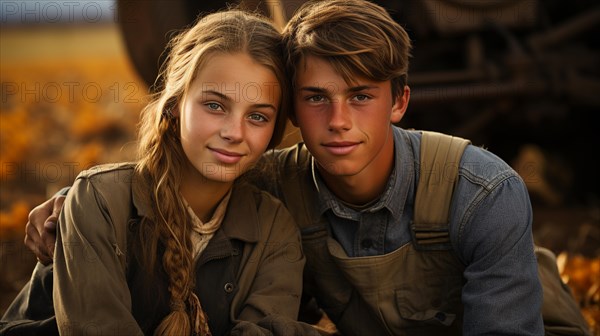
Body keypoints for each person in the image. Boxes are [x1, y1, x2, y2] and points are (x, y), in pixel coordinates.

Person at [15, 0, 548, 335]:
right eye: (316, 98)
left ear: (401, 102)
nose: (338, 121)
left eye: (361, 96)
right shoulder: (261, 185)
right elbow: (162, 180)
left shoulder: (482, 193)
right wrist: (79, 198)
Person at [1, 9, 321, 336]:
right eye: (214, 105)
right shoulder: (98, 203)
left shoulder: (274, 228)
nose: (234, 132)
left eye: (257, 117)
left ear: (275, 130)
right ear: (174, 105)